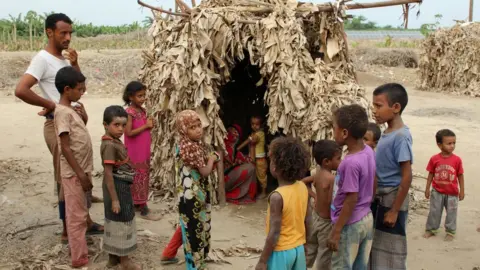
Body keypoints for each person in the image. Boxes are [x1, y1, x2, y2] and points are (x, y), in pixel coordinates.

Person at [14, 13, 102, 243]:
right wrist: (52, 105)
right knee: (66, 177)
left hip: (73, 122)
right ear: (49, 32)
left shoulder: (63, 59)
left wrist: (74, 64)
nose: (68, 37)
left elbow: (79, 87)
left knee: (80, 171)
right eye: (63, 32)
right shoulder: (42, 59)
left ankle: (85, 221)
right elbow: (21, 90)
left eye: (70, 32)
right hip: (58, 125)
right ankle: (67, 231)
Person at [370, 83, 413, 270]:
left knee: (392, 248)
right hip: (381, 198)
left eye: (378, 106)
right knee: (379, 245)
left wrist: (395, 210)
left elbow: (407, 175)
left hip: (392, 198)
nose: (374, 111)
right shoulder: (386, 133)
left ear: (396, 108)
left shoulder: (401, 136)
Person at [327, 104, 375, 270]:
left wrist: (337, 231)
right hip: (366, 218)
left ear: (345, 133)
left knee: (342, 265)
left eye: (334, 128)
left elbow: (351, 199)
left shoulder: (349, 163)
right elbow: (373, 180)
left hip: (350, 224)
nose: (333, 132)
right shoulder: (368, 151)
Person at [54, 66, 92, 267]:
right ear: (67, 89)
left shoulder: (71, 110)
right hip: (74, 173)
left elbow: (80, 131)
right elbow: (66, 148)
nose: (82, 91)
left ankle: (81, 248)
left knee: (81, 211)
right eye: (79, 88)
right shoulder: (61, 113)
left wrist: (83, 116)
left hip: (81, 171)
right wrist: (81, 174)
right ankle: (79, 257)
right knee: (76, 216)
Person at [255, 137, 311, 270]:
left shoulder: (277, 196)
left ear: (274, 166)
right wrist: (306, 244)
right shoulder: (303, 187)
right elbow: (309, 220)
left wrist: (262, 261)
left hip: (281, 252)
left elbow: (274, 233)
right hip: (298, 248)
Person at [175, 110, 219, 270]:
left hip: (185, 195)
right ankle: (197, 265)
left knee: (190, 227)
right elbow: (204, 172)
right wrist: (213, 159)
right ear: (184, 130)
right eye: (192, 127)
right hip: (194, 196)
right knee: (196, 229)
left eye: (199, 125)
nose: (198, 129)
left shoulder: (184, 144)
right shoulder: (193, 148)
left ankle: (191, 261)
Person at [101, 105, 141, 270]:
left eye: (123, 125)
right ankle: (125, 261)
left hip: (117, 186)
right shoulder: (110, 146)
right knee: (124, 219)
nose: (121, 129)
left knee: (113, 220)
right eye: (116, 125)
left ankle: (113, 258)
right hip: (116, 187)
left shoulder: (113, 141)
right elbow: (108, 173)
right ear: (105, 124)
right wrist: (115, 199)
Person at [123, 81, 160, 220]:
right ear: (131, 97)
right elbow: (129, 132)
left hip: (143, 149)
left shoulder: (142, 111)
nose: (143, 98)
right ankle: (141, 205)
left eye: (144, 95)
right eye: (139, 96)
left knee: (143, 174)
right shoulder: (129, 113)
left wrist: (149, 126)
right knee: (137, 174)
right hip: (134, 150)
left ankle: (139, 202)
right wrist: (145, 127)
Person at [305, 140, 341, 270]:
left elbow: (302, 182)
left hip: (315, 218)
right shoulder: (332, 179)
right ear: (326, 161)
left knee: (310, 249)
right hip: (326, 223)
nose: (340, 162)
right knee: (324, 255)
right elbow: (334, 203)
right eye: (338, 158)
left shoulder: (317, 174)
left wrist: (315, 196)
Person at [424, 129, 464, 241]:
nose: (452, 146)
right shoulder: (434, 159)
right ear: (439, 145)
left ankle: (450, 232)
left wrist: (462, 191)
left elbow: (460, 175)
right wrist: (427, 189)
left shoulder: (457, 160)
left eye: (454, 143)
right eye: (449, 143)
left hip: (452, 193)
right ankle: (431, 229)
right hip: (437, 191)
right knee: (434, 211)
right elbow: (431, 174)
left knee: (451, 212)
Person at [224, 124, 257, 204]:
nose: (233, 135)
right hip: (221, 183)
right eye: (232, 131)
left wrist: (251, 145)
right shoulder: (221, 148)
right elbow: (251, 163)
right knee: (251, 167)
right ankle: (245, 195)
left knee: (250, 166)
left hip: (225, 181)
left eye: (236, 133)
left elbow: (250, 160)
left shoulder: (236, 152)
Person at [238, 116, 268, 199]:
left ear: (261, 125)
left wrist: (238, 148)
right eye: (252, 124)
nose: (254, 126)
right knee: (256, 175)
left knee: (262, 176)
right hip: (255, 158)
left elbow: (252, 140)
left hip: (260, 159)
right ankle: (257, 191)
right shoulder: (254, 133)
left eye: (257, 124)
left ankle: (264, 192)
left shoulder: (260, 134)